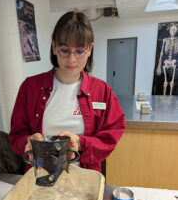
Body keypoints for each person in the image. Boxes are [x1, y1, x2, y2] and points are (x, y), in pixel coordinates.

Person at [9, 11, 125, 173]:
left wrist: (80, 142)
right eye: (64, 50)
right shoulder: (30, 87)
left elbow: (110, 138)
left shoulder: (102, 91)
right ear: (54, 47)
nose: (72, 59)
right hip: (40, 177)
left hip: (84, 178)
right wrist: (28, 141)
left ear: (90, 49)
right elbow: (15, 136)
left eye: (79, 51)